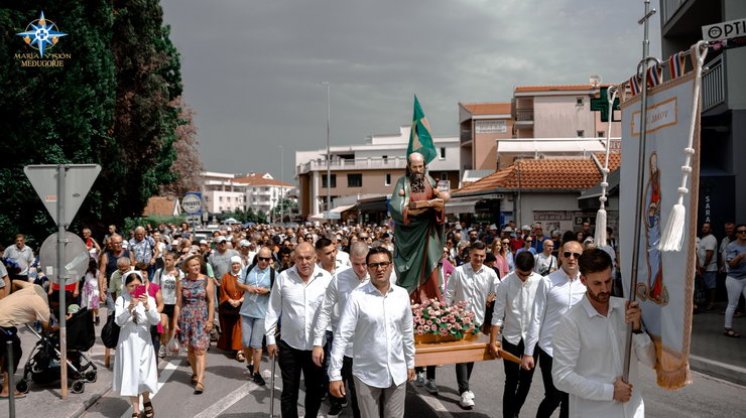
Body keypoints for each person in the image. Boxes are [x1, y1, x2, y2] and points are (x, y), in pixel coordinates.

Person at [552, 248, 655, 418]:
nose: (605, 289)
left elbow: (650, 361)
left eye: (608, 281)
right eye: (597, 283)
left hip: (632, 411)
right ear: (583, 280)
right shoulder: (571, 321)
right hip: (594, 413)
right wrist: (610, 392)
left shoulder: (627, 310)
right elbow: (561, 377)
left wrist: (637, 329)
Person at [328, 247, 415, 418]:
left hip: (397, 371)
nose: (379, 269)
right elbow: (342, 336)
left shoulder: (402, 295)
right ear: (368, 269)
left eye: (383, 264)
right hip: (366, 374)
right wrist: (335, 374)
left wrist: (410, 362)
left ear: (391, 266)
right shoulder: (357, 297)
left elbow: (407, 331)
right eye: (374, 265)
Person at [265, 242, 332, 418]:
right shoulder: (283, 277)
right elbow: (273, 309)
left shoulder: (326, 279)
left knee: (314, 390)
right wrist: (270, 339)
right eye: (300, 258)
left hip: (316, 347)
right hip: (289, 345)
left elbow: (332, 313)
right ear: (294, 258)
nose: (304, 262)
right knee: (289, 391)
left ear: (315, 258)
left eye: (308, 258)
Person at [522, 240, 587, 418]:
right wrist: (528, 352)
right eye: (567, 254)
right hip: (550, 350)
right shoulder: (547, 282)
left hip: (576, 351)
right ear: (560, 256)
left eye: (576, 255)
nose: (571, 258)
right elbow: (536, 317)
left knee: (570, 399)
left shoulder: (587, 283)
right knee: (554, 396)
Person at [312, 242, 371, 418]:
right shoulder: (339, 279)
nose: (361, 269)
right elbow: (325, 310)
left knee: (368, 395)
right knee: (353, 388)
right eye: (356, 264)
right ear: (349, 260)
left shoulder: (380, 276)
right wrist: (317, 342)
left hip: (373, 346)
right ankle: (340, 404)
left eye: (364, 263)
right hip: (347, 346)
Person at [444, 241, 499, 409]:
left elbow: (499, 289)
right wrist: (445, 316)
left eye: (482, 256)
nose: (479, 259)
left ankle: (465, 386)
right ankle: (464, 390)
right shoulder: (459, 272)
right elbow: (449, 293)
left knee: (472, 355)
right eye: (476, 255)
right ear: (470, 254)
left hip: (478, 320)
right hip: (459, 320)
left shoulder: (489, 273)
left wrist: (491, 295)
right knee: (462, 355)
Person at [388, 152, 448, 302]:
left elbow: (440, 205)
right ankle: (411, 299)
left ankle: (430, 301)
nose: (418, 170)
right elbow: (396, 208)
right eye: (414, 167)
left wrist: (438, 205)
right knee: (408, 272)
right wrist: (423, 206)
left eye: (420, 166)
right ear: (409, 166)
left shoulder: (430, 181)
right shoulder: (402, 183)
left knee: (431, 267)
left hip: (428, 233)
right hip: (408, 235)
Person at [490, 252, 542, 418]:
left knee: (526, 380)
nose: (524, 278)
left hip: (533, 339)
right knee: (511, 379)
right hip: (511, 337)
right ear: (515, 268)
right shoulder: (505, 283)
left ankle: (515, 410)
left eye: (527, 275)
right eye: (520, 274)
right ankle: (508, 415)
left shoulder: (541, 283)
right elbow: (497, 314)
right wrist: (493, 341)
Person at [113, 271, 160, 418]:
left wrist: (146, 306)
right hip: (127, 342)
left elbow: (155, 320)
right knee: (130, 375)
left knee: (144, 376)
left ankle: (146, 400)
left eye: (138, 285)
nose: (134, 288)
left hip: (144, 341)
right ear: (126, 286)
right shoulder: (121, 300)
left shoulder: (149, 299)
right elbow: (118, 321)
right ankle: (136, 410)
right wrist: (129, 308)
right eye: (131, 285)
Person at [0, 281, 50, 398]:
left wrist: (14, 300)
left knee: (5, 349)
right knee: (13, 352)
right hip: (2, 322)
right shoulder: (42, 304)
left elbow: (14, 282)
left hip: (2, 315)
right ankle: (6, 390)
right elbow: (47, 328)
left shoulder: (33, 287)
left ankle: (4, 380)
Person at [176, 255, 215, 394]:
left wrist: (210, 320)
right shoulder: (181, 282)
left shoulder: (206, 280)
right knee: (191, 350)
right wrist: (175, 322)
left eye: (197, 264)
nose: (196, 267)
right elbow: (178, 304)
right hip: (186, 318)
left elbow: (211, 302)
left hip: (201, 318)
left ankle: (200, 381)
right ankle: (195, 372)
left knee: (200, 349)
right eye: (193, 265)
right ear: (187, 268)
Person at [237, 246, 274, 385]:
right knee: (246, 342)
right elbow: (238, 283)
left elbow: (277, 292)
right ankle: (250, 363)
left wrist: (267, 290)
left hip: (262, 313)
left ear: (270, 260)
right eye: (261, 258)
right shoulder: (249, 268)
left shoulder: (273, 274)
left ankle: (257, 372)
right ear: (257, 258)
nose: (264, 261)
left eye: (267, 259)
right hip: (246, 310)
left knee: (256, 344)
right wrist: (248, 288)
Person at [152, 251, 183, 358]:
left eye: (169, 260)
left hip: (174, 304)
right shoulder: (159, 272)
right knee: (163, 325)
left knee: (171, 327)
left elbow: (182, 289)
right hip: (163, 303)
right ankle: (163, 345)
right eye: (166, 259)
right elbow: (154, 287)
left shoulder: (180, 273)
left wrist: (178, 277)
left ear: (175, 261)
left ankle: (168, 343)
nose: (167, 261)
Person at [217, 256, 244, 359]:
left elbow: (247, 290)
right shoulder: (225, 277)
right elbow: (222, 291)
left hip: (242, 305)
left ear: (240, 264)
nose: (235, 266)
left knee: (239, 327)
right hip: (229, 305)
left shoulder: (244, 276)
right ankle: (231, 346)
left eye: (237, 263)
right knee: (229, 327)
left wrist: (240, 300)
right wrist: (231, 300)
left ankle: (239, 351)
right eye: (233, 264)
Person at [723, 224, 746, 338]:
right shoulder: (732, 246)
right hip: (734, 278)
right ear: (737, 234)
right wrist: (740, 256)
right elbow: (731, 264)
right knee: (733, 304)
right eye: (741, 232)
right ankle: (728, 328)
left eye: (745, 231)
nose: (743, 234)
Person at [697, 222, 718, 310]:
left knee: (711, 286)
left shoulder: (711, 239)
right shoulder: (703, 238)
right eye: (703, 227)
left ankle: (712, 303)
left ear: (710, 229)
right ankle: (707, 302)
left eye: (707, 227)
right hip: (702, 267)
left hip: (709, 268)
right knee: (706, 286)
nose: (704, 229)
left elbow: (709, 253)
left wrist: (704, 266)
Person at [80, 257, 101, 325]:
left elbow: (100, 282)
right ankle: (90, 319)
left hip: (94, 291)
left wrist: (100, 291)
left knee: (95, 305)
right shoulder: (85, 272)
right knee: (89, 306)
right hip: (86, 291)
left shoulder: (97, 272)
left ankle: (97, 316)